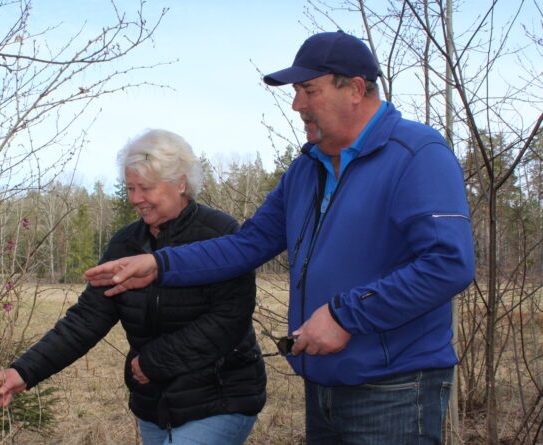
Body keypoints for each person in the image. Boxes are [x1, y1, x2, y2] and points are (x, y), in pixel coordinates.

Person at [85, 31, 475, 444]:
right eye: (296, 92)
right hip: (324, 382)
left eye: (309, 90)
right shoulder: (307, 169)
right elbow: (246, 245)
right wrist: (159, 265)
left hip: (395, 386)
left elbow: (448, 263)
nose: (297, 104)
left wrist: (346, 315)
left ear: (356, 89)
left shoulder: (416, 154)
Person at [0, 129, 267, 445]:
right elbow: (86, 320)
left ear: (180, 183)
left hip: (221, 400)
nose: (135, 199)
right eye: (130, 188)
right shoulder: (126, 244)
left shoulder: (221, 235)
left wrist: (154, 362)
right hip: (154, 406)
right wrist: (25, 372)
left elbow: (229, 320)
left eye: (145, 188)